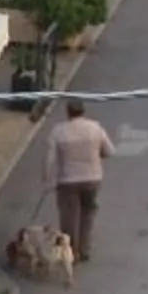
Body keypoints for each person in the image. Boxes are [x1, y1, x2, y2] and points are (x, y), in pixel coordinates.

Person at [43, 97, 112, 261]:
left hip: (67, 180)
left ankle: (71, 251)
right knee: (88, 212)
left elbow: (49, 159)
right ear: (83, 111)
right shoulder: (95, 128)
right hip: (92, 178)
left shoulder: (58, 131)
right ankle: (85, 247)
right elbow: (109, 151)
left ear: (68, 112)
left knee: (69, 216)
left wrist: (47, 180)